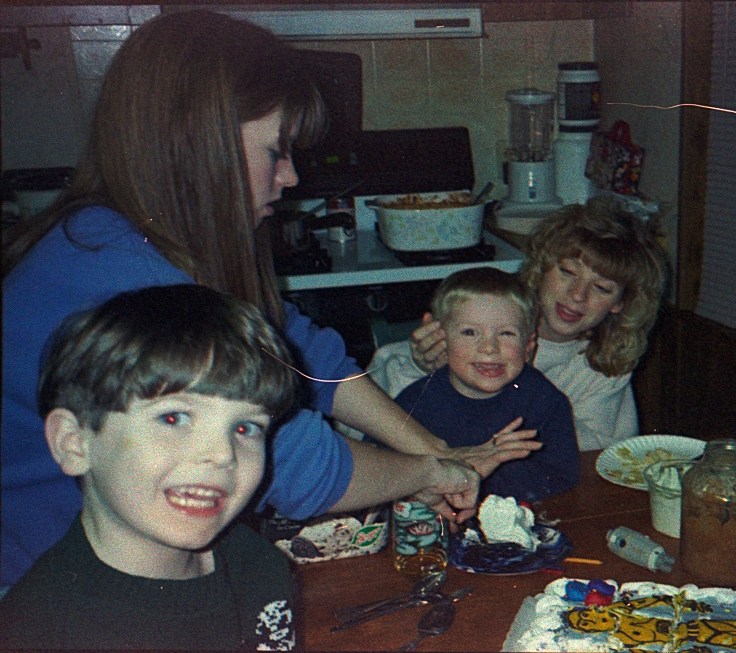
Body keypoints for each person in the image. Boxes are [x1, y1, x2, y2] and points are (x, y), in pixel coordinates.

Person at [0, 9, 539, 590]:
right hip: (50, 590)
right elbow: (290, 463)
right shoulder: (116, 280)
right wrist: (430, 472)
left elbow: (300, 351)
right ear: (197, 145)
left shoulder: (126, 237)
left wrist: (432, 452)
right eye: (274, 151)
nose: (290, 177)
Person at [0, 285, 301, 649]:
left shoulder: (260, 569)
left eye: (245, 428)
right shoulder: (36, 633)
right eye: (173, 418)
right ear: (74, 443)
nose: (223, 454)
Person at [371, 198, 668, 451]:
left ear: (620, 303)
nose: (578, 295)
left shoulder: (603, 364)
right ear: (542, 267)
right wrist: (423, 370)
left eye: (601, 288)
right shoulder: (486, 315)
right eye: (567, 272)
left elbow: (600, 450)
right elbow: (376, 418)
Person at [393, 267, 580, 502]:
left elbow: (562, 475)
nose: (489, 348)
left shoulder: (544, 400)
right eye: (470, 332)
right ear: (439, 337)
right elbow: (381, 469)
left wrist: (479, 479)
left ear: (528, 346)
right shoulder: (414, 402)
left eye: (506, 333)